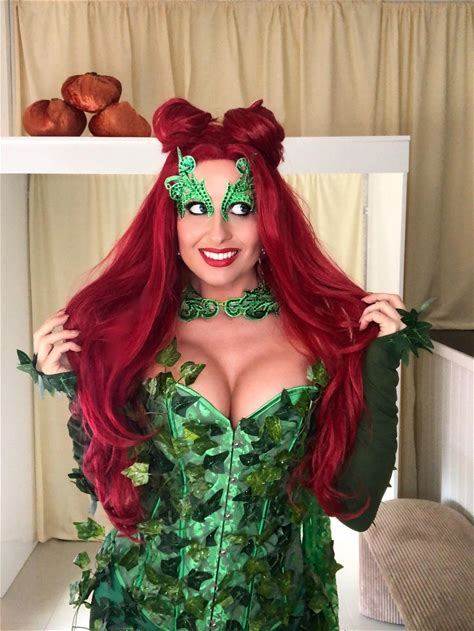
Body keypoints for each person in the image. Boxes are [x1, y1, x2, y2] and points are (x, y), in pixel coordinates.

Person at [16, 98, 434, 630]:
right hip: (142, 611)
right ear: (170, 218)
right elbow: (110, 494)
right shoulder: (127, 336)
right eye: (195, 207)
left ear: (270, 218)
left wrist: (380, 365)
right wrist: (76, 388)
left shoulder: (326, 335)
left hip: (281, 613)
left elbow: (358, 507)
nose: (217, 233)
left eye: (241, 208)